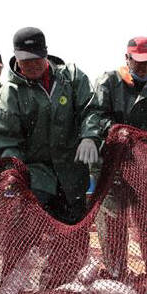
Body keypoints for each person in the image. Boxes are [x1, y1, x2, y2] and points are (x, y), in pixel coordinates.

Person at [0, 27, 96, 224]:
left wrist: (89, 136)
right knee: (24, 236)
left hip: (72, 177)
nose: (31, 65)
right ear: (16, 58)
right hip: (35, 180)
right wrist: (16, 173)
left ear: (45, 54)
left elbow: (91, 110)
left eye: (36, 59)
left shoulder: (72, 77)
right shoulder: (10, 93)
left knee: (73, 240)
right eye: (25, 61)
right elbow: (5, 140)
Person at [80, 37, 147, 279]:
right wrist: (116, 129)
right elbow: (94, 115)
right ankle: (116, 272)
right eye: (137, 61)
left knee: (145, 219)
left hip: (143, 168)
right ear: (126, 58)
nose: (142, 67)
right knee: (113, 219)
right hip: (112, 167)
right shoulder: (109, 81)